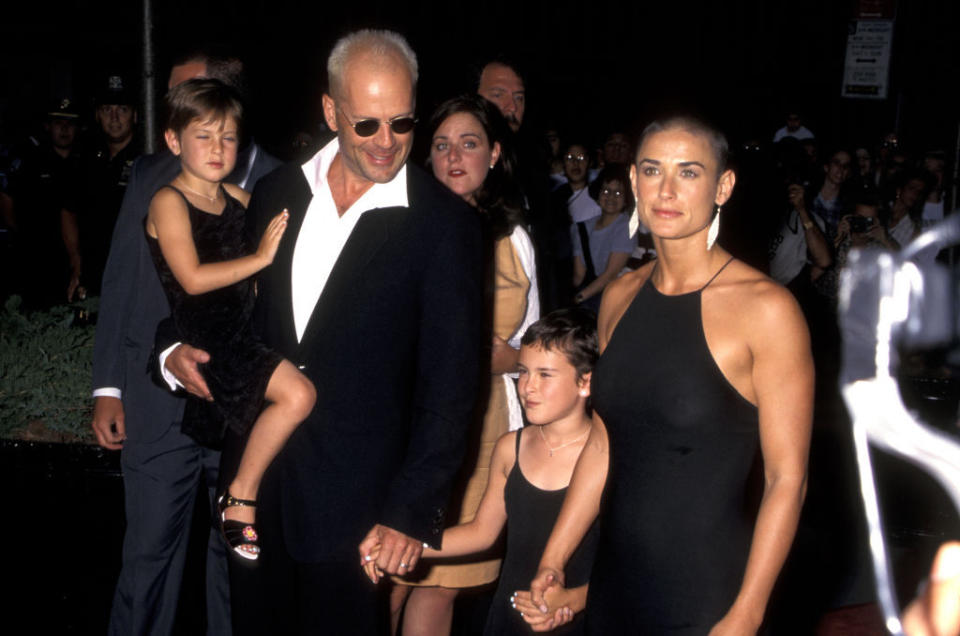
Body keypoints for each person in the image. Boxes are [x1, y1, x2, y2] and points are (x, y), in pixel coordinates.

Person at [163, 30, 483, 635]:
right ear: (331, 110)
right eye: (367, 125)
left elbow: (452, 387)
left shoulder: (444, 228)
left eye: (402, 122)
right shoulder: (275, 192)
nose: (387, 142)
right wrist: (170, 351)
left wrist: (410, 512)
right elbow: (210, 296)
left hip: (360, 505)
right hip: (253, 492)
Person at [530, 116, 813, 634]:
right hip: (614, 583)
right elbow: (602, 442)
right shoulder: (619, 296)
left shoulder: (767, 309)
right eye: (652, 170)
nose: (665, 189)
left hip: (708, 594)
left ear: (722, 186)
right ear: (633, 181)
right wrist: (555, 556)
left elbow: (785, 480)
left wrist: (746, 614)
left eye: (688, 172)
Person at [90, 49, 282, 636]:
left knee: (238, 562)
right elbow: (122, 281)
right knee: (149, 559)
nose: (171, 111)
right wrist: (108, 385)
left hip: (239, 413)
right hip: (159, 409)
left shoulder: (278, 183)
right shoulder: (153, 180)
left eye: (185, 94)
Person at [388, 94, 539, 636]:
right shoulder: (404, 225)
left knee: (443, 582)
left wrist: (514, 358)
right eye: (442, 144)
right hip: (413, 418)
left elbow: (536, 342)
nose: (455, 156)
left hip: (485, 422)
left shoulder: (512, 236)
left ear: (495, 153)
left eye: (470, 143)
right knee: (393, 573)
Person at [146, 78, 315, 561]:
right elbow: (194, 279)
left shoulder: (238, 198)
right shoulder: (168, 200)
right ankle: (239, 499)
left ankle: (241, 498)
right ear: (174, 140)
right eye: (204, 135)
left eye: (228, 137)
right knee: (298, 396)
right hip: (214, 342)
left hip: (248, 334)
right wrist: (261, 258)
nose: (219, 148)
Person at [369, 308, 599, 635]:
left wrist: (575, 600)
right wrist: (406, 542)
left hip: (580, 615)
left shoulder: (606, 455)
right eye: (522, 372)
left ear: (584, 382)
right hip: (510, 615)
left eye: (545, 375)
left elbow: (630, 564)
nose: (527, 387)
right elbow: (481, 532)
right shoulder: (511, 447)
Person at [571, 164, 635, 312]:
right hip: (587, 294)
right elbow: (579, 276)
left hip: (613, 297)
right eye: (606, 191)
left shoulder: (626, 227)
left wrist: (579, 298)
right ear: (598, 194)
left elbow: (610, 275)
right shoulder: (581, 227)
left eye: (618, 193)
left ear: (626, 199)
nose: (611, 197)